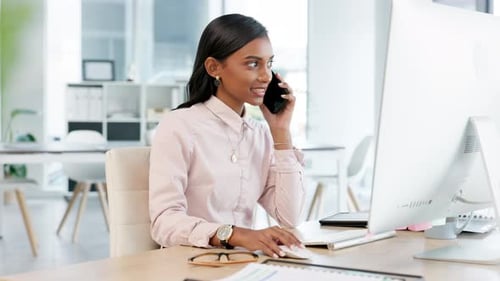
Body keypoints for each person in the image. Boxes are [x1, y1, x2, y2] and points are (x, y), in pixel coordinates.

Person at [149, 13, 305, 258]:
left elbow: (289, 216)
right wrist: (235, 234)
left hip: (241, 263)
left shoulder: (261, 134)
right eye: (253, 64)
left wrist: (281, 133)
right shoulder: (180, 126)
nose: (266, 76)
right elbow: (164, 223)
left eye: (269, 64)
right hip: (187, 262)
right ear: (214, 68)